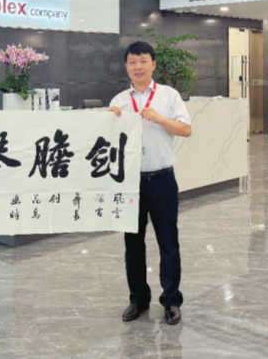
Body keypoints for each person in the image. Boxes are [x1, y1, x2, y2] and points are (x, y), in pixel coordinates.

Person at [108, 41, 192, 325]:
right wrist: (107, 123)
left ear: (153, 64)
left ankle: (171, 300)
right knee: (133, 244)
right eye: (132, 62)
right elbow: (106, 142)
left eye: (143, 61)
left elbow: (186, 129)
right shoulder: (119, 101)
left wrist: (159, 118)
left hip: (162, 180)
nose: (138, 66)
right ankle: (138, 299)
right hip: (130, 183)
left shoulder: (169, 95)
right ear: (126, 67)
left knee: (168, 242)